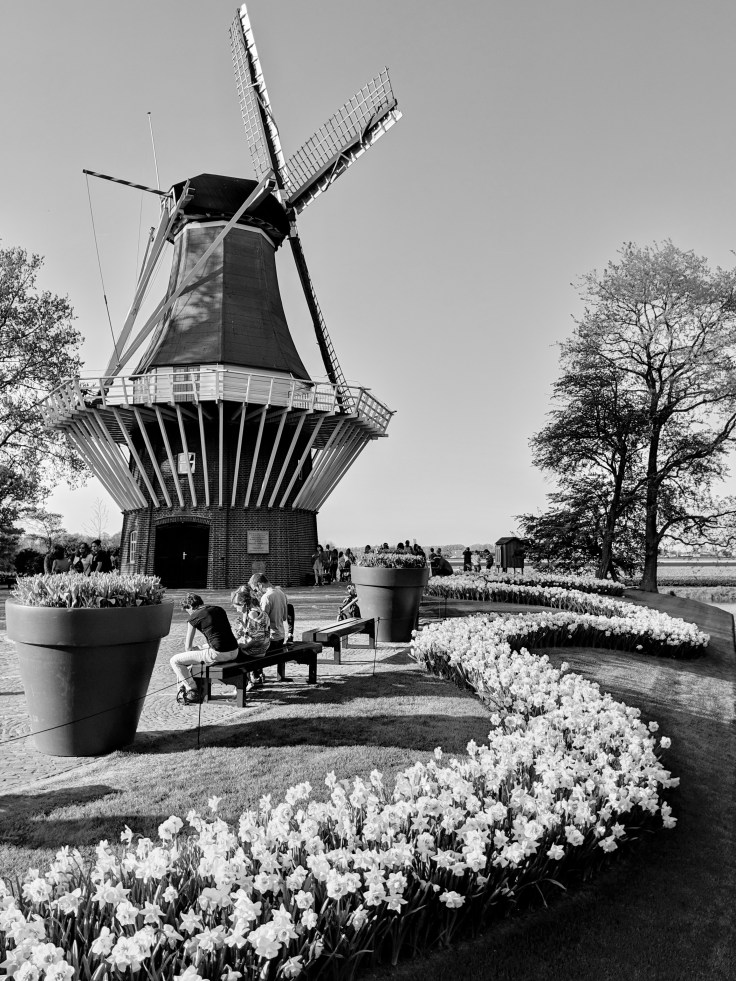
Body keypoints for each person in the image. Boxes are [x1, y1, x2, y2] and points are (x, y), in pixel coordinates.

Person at [171, 593, 240, 704]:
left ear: (190, 606)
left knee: (175, 660)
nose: (189, 614)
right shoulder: (219, 609)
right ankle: (189, 686)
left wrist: (194, 649)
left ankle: (192, 690)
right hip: (234, 650)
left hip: (219, 653)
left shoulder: (194, 616)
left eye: (187, 611)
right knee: (200, 648)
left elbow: (188, 647)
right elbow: (221, 635)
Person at [230, 586, 270, 691]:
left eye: (236, 607)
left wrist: (244, 645)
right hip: (263, 647)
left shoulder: (252, 613)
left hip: (257, 650)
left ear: (243, 604)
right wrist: (244, 629)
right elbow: (256, 631)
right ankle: (247, 681)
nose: (237, 610)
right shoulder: (256, 610)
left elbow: (258, 638)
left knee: (232, 653)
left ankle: (242, 684)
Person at [248, 573, 289, 651]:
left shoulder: (266, 597)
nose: (256, 592)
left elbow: (263, 623)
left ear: (260, 585)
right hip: (281, 636)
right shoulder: (281, 593)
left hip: (271, 639)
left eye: (255, 589)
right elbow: (284, 617)